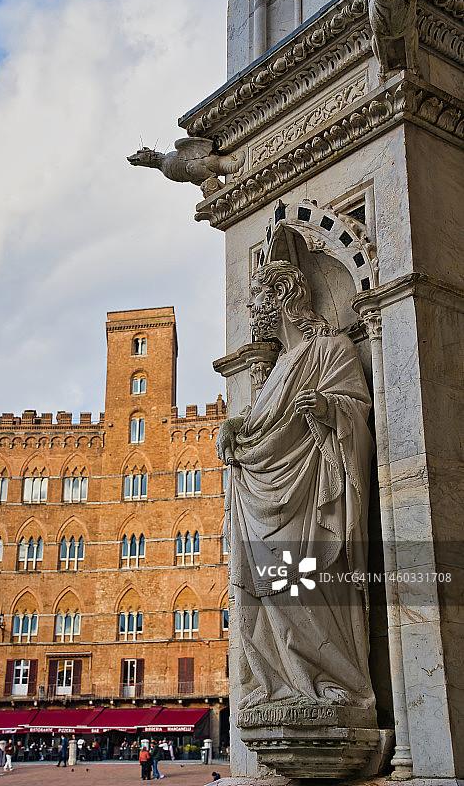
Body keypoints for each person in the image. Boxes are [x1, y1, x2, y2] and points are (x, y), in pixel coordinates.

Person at [217, 261, 375, 711]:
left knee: (304, 587)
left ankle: (335, 682)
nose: (252, 310)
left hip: (308, 497)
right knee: (261, 595)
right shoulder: (274, 370)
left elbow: (357, 412)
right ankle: (278, 686)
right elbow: (258, 430)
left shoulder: (332, 348)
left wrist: (328, 408)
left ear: (284, 295)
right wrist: (232, 430)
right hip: (258, 499)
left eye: (260, 299)